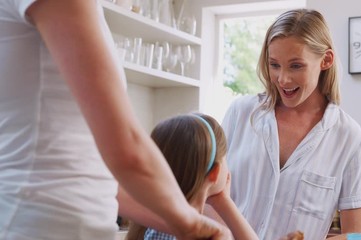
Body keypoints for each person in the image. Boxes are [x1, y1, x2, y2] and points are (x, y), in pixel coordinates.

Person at [0, 1, 230, 240]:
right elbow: (127, 147)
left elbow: (107, 182)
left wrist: (185, 223)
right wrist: (190, 223)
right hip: (43, 226)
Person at [217, 8, 361, 240]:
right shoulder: (240, 113)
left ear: (326, 60)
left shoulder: (348, 137)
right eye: (274, 65)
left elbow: (355, 236)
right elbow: (208, 199)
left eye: (296, 66)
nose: (283, 79)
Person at [126, 113, 258, 240]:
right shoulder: (191, 233)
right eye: (225, 157)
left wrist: (224, 201)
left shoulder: (159, 224)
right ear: (215, 172)